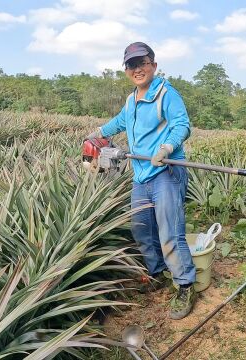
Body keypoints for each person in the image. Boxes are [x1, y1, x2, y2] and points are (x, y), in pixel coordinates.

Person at [86, 41, 197, 320]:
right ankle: (157, 272)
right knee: (141, 229)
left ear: (154, 66)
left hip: (166, 172)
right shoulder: (131, 98)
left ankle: (184, 284)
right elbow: (120, 122)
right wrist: (96, 133)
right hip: (141, 174)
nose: (137, 69)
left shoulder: (166, 94)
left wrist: (167, 148)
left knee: (170, 233)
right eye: (131, 65)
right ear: (126, 70)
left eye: (142, 63)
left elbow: (182, 125)